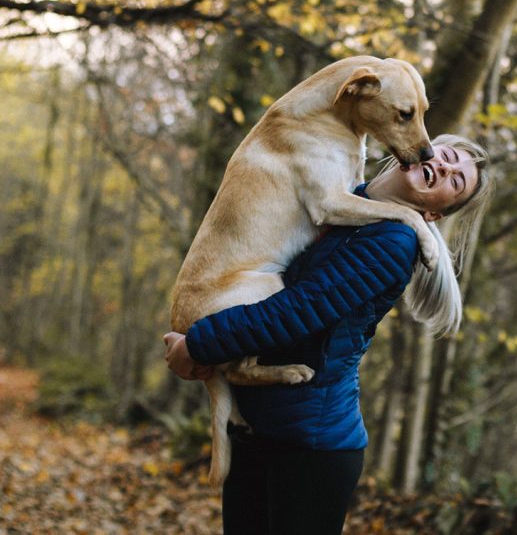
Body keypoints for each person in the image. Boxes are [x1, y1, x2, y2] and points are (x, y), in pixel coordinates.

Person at [163, 134, 492, 535]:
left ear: (435, 214)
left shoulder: (394, 241)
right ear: (423, 147)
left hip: (312, 448)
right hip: (254, 429)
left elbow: (299, 311)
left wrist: (200, 345)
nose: (444, 167)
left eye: (455, 181)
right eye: (448, 156)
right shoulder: (338, 202)